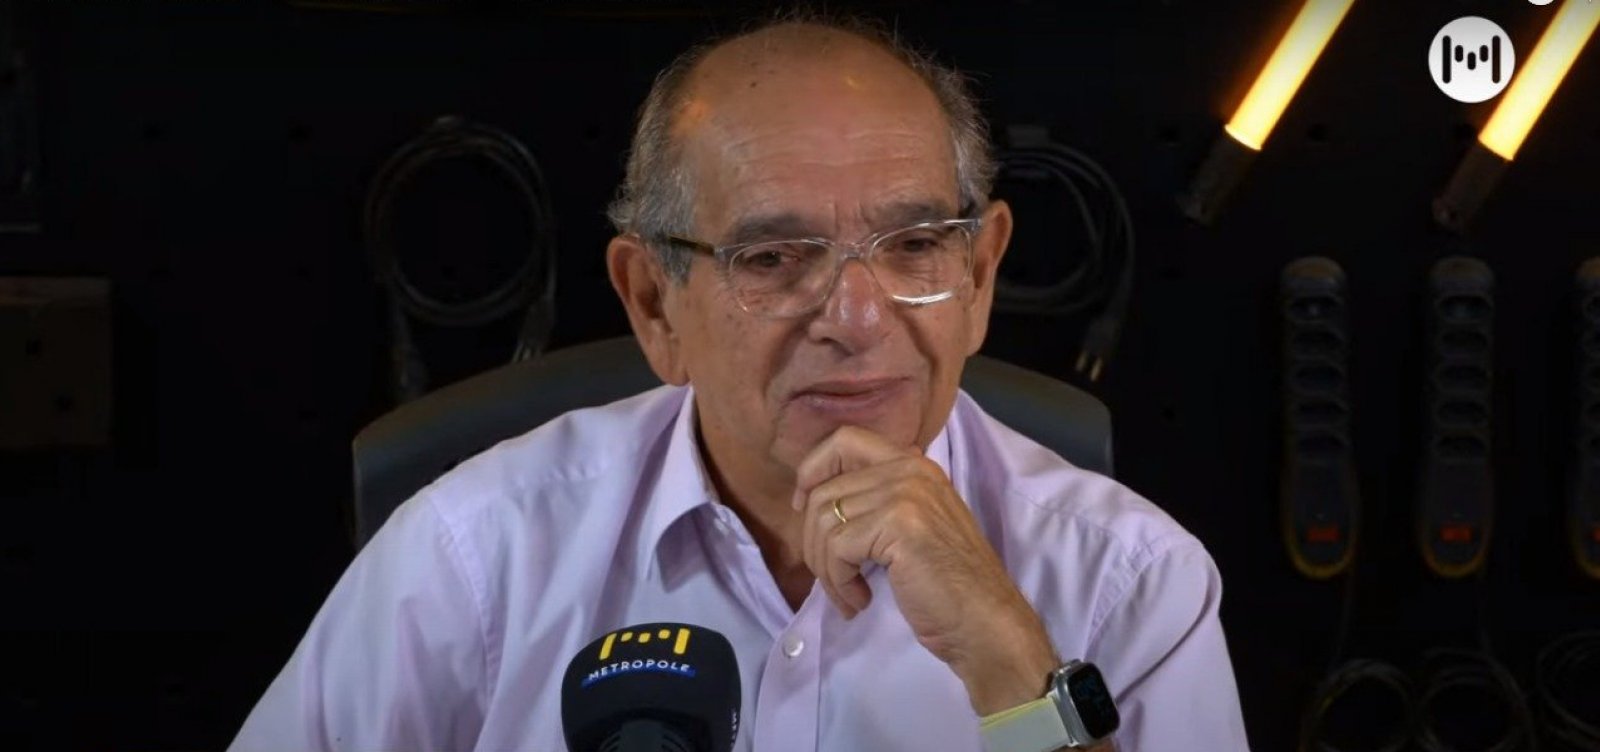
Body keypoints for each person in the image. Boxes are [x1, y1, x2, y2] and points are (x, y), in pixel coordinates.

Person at [230, 14, 1249, 752]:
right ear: (653, 303)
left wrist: (1018, 675)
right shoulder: (472, 556)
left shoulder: (1130, 583)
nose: (857, 318)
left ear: (979, 278)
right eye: (773, 259)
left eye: (914, 247)